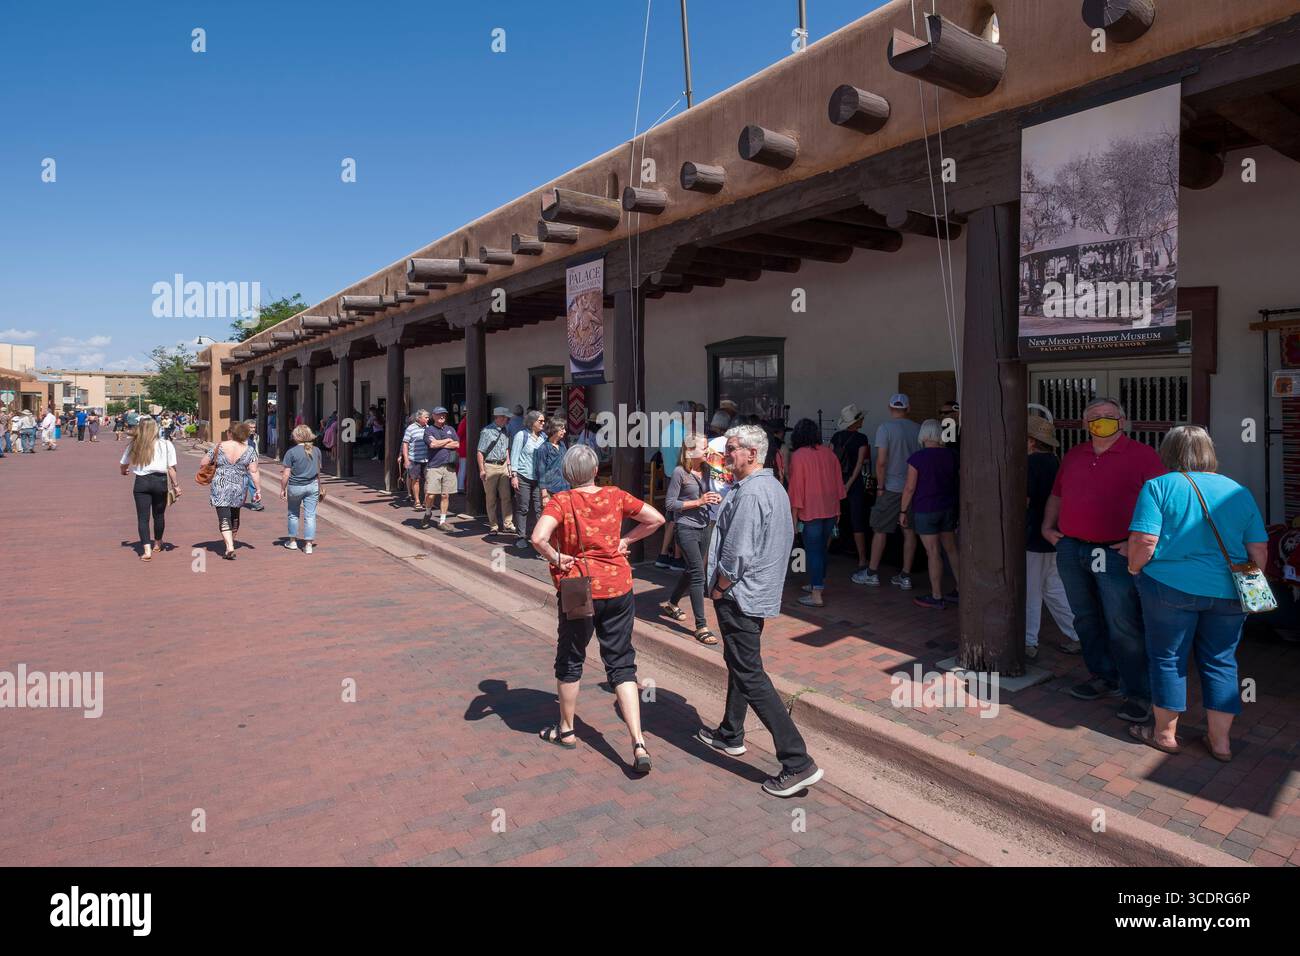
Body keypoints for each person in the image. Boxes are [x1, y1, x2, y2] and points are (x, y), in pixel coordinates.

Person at [1127, 426, 1267, 760]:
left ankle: (1164, 735)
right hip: (1229, 592)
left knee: (1168, 657)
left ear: (1168, 451)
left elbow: (1145, 541)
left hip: (1168, 586)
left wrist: (1134, 569)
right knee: (1221, 661)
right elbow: (1258, 549)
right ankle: (1221, 743)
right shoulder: (1238, 491)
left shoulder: (1158, 486)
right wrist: (1252, 582)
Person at [700, 424, 824, 798]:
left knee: (750, 673)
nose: (726, 456)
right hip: (754, 594)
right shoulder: (767, 487)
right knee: (741, 663)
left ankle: (797, 760)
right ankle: (731, 732)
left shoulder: (753, 493)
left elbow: (738, 551)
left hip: (740, 595)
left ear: (753, 454)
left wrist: (720, 588)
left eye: (733, 449)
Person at [529, 444, 666, 772]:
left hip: (578, 584)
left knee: (571, 656)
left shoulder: (562, 500)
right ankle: (638, 741)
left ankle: (566, 729)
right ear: (594, 471)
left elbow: (537, 538)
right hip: (618, 583)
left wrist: (557, 557)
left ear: (567, 474)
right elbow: (656, 518)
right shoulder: (616, 495)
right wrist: (626, 541)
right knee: (621, 662)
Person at [1042, 397, 1163, 724]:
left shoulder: (1143, 456)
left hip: (1114, 552)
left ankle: (1138, 692)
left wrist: (1135, 542)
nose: (1102, 422)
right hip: (1072, 548)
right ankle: (1102, 675)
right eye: (1095, 418)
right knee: (1085, 617)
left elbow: (1162, 501)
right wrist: (1047, 526)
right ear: (1085, 424)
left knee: (1122, 622)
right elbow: (1058, 494)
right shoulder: (1074, 455)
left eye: (1109, 417)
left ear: (1121, 421)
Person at [1025, 416, 1079, 659]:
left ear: (1031, 441)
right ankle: (1079, 635)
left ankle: (1028, 642)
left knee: (1031, 590)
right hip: (1055, 533)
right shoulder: (1056, 461)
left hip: (1034, 533)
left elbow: (1025, 500)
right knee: (1054, 589)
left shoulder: (1030, 464)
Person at [853, 394, 919, 588]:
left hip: (891, 486)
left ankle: (872, 572)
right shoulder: (918, 428)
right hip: (912, 487)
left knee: (880, 529)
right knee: (909, 531)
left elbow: (881, 462)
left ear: (890, 409)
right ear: (908, 409)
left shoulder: (885, 428)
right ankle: (905, 575)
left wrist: (880, 486)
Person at [660, 433, 721, 644]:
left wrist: (713, 498)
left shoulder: (706, 469)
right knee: (698, 574)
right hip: (685, 527)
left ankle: (672, 603)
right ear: (690, 451)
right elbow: (670, 504)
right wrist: (698, 502)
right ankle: (701, 626)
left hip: (705, 525)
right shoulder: (679, 473)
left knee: (692, 569)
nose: (708, 451)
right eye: (704, 448)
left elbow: (708, 494)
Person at [900, 419, 960, 609]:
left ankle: (936, 595)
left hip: (926, 509)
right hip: (948, 507)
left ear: (924, 435)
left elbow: (909, 488)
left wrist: (902, 510)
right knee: (951, 550)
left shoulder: (917, 458)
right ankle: (961, 589)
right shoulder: (952, 455)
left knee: (933, 552)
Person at [786, 418, 846, 608]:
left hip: (809, 510)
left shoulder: (798, 456)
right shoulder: (830, 454)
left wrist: (793, 518)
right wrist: (839, 511)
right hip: (830, 509)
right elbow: (839, 484)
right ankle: (816, 583)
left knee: (813, 552)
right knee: (821, 550)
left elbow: (796, 489)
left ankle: (816, 593)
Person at [119, 416, 179, 561]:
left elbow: (123, 463)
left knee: (143, 518)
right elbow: (171, 468)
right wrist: (176, 485)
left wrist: (124, 470)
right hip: (160, 481)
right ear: (156, 429)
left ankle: (147, 550)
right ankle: (157, 543)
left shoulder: (135, 444)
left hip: (141, 482)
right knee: (159, 515)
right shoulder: (166, 444)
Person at [206, 421, 262, 560]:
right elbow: (254, 471)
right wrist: (258, 489)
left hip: (220, 485)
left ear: (230, 433)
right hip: (239, 486)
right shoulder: (249, 450)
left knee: (224, 516)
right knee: (235, 515)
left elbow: (204, 462)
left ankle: (229, 546)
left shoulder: (219, 446)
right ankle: (231, 542)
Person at [831, 404, 871, 575]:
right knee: (857, 521)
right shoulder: (862, 439)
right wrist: (849, 484)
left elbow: (831, 463)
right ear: (856, 421)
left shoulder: (836, 437)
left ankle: (824, 554)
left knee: (831, 518)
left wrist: (837, 482)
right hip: (853, 484)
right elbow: (859, 464)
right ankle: (862, 559)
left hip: (836, 482)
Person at [280, 425, 322, 554]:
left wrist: (283, 488)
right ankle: (308, 544)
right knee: (310, 515)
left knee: (293, 513)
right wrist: (319, 486)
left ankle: (292, 541)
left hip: (296, 486)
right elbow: (318, 471)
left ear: (296, 436)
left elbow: (286, 474)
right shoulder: (316, 450)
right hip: (312, 485)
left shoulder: (291, 452)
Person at [510, 410, 546, 550]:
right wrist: (514, 475)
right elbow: (515, 454)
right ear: (532, 423)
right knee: (523, 507)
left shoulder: (543, 437)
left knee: (540, 508)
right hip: (523, 476)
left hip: (538, 478)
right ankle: (521, 536)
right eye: (540, 421)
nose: (543, 423)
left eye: (543, 421)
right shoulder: (521, 435)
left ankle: (538, 537)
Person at [477, 406, 515, 535]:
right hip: (490, 466)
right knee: (491, 498)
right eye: (505, 417)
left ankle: (508, 524)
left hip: (503, 465)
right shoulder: (487, 431)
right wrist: (482, 469)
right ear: (498, 417)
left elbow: (506, 449)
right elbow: (480, 452)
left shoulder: (506, 430)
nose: (507, 420)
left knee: (506, 497)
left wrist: (509, 465)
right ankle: (493, 525)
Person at [421, 406, 459, 530]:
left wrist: (440, 443)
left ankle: (442, 521)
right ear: (433, 416)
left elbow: (457, 444)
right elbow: (432, 444)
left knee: (445, 495)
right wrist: (448, 440)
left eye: (443, 414)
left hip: (449, 466)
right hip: (434, 466)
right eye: (439, 414)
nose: (441, 416)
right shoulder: (429, 430)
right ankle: (427, 512)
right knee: (430, 494)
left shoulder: (450, 429)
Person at [535, 416, 570, 504]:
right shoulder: (543, 448)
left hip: (565, 488)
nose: (564, 431)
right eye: (562, 429)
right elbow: (541, 472)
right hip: (551, 491)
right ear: (554, 430)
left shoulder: (562, 445)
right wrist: (544, 495)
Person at [401, 409, 431, 511]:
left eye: (428, 417)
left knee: (428, 480)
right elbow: (405, 443)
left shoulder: (428, 428)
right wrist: (406, 459)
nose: (428, 419)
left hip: (427, 459)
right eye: (426, 417)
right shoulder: (410, 428)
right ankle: (417, 501)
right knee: (416, 479)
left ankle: (426, 501)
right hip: (414, 458)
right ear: (419, 418)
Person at [455, 412, 468, 491]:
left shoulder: (465, 421)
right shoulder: (465, 421)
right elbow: (459, 435)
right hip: (464, 448)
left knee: (463, 468)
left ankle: (461, 486)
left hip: (465, 447)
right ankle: (460, 487)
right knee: (463, 468)